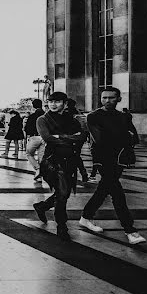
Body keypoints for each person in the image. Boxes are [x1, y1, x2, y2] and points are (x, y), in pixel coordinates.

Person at [78, 87, 146, 245]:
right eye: (104, 98)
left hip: (119, 159)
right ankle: (130, 230)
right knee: (117, 193)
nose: (107, 101)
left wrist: (121, 135)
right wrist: (124, 135)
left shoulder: (124, 116)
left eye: (111, 98)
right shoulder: (94, 116)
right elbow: (101, 139)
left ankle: (86, 217)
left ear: (119, 99)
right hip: (102, 159)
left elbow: (135, 138)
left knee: (103, 190)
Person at [32, 92, 88, 240]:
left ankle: (42, 206)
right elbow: (48, 138)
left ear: (64, 103)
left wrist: (61, 137)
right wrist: (70, 138)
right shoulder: (42, 119)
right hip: (52, 162)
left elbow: (82, 137)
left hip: (70, 160)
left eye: (57, 102)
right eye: (50, 102)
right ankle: (61, 226)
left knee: (64, 193)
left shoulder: (72, 120)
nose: (53, 104)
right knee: (62, 194)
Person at [24, 99, 46, 182]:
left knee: (29, 154)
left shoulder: (32, 116)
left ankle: (38, 169)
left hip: (34, 137)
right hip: (44, 138)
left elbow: (27, 128)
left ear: (33, 105)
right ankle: (39, 175)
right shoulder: (46, 115)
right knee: (41, 156)